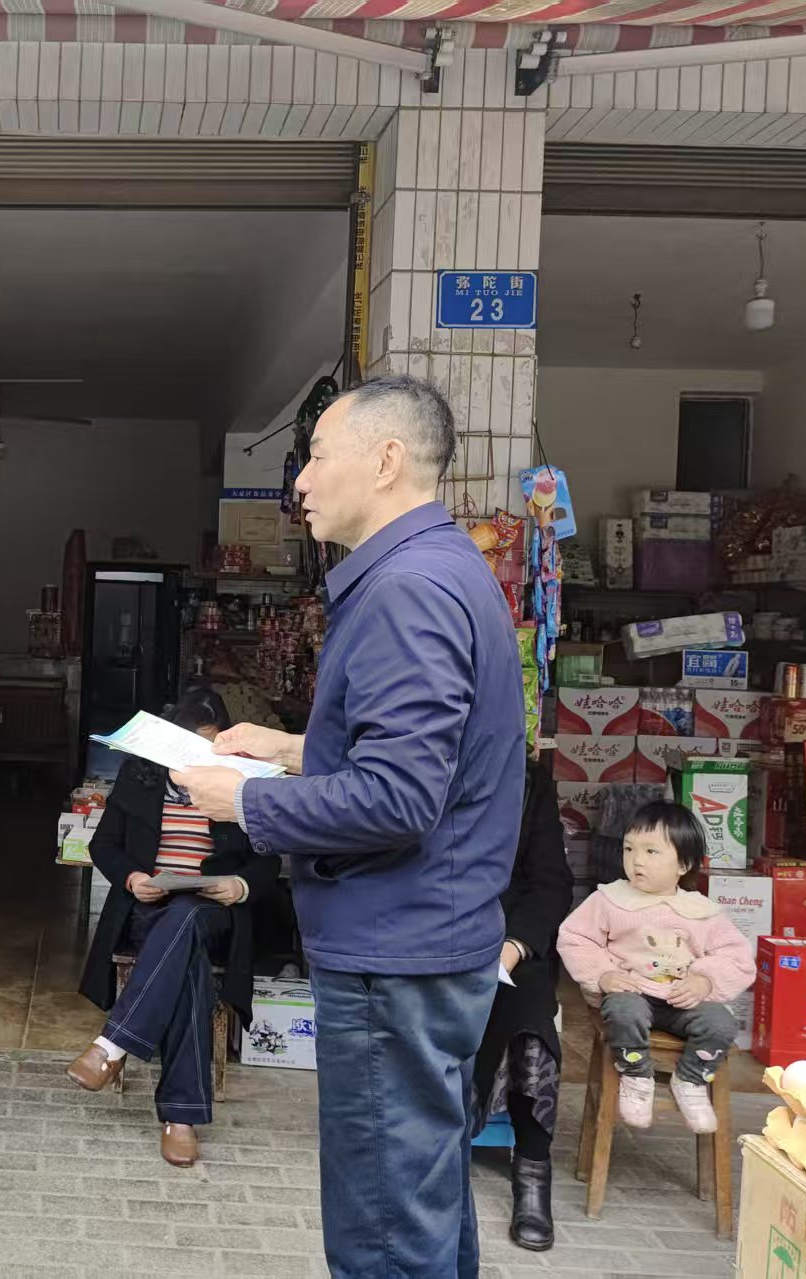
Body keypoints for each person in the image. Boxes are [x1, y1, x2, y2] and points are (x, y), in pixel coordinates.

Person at [171, 375, 525, 1278]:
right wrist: (297, 749)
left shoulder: (407, 588)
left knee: (384, 1230)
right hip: (427, 939)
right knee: (422, 1202)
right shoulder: (443, 568)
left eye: (317, 455)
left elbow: (399, 798)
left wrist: (243, 800)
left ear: (386, 459)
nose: (299, 480)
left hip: (393, 950)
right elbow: (428, 758)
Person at [65, 689, 280, 1168]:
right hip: (151, 909)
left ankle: (112, 1045)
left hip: (213, 910)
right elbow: (104, 846)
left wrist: (240, 885)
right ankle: (180, 1118)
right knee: (187, 962)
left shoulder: (240, 782)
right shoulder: (139, 776)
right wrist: (133, 878)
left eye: (207, 746)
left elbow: (267, 861)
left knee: (187, 918)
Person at [557, 801, 754, 1134]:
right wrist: (603, 974)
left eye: (651, 851)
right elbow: (575, 938)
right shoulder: (609, 900)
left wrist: (705, 981)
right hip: (632, 993)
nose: (637, 860)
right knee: (624, 1011)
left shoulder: (702, 911)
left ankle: (691, 1080)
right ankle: (636, 1075)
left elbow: (737, 956)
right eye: (629, 848)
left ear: (684, 864)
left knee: (721, 1023)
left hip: (683, 1003)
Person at [473, 756, 573, 1253]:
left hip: (508, 941)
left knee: (531, 1018)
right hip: (427, 932)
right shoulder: (417, 762)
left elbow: (551, 882)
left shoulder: (528, 780)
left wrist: (514, 946)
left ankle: (532, 1171)